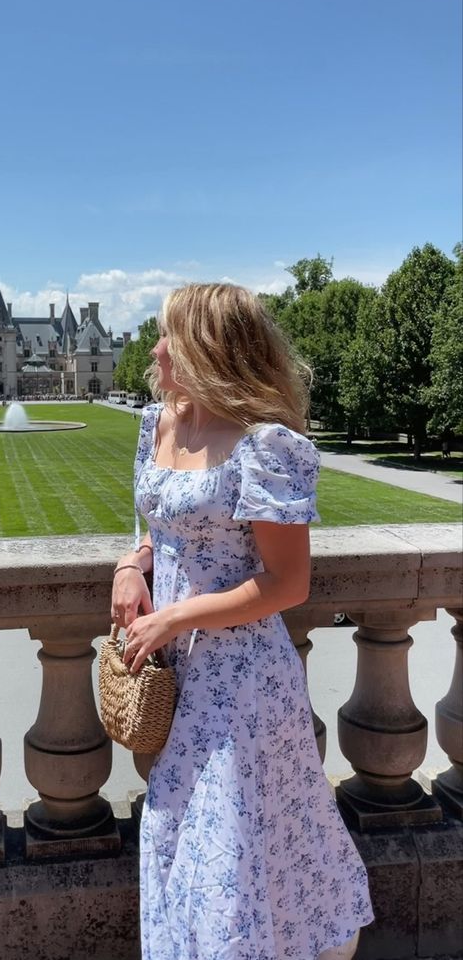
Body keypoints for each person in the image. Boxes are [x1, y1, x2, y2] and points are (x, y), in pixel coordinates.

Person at [111, 284, 374, 960]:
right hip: (180, 671)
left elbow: (287, 582)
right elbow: (159, 527)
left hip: (242, 683)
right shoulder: (160, 421)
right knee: (183, 838)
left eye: (167, 334)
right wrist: (129, 565)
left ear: (205, 347)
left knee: (228, 847)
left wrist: (174, 617)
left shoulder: (264, 445)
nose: (154, 348)